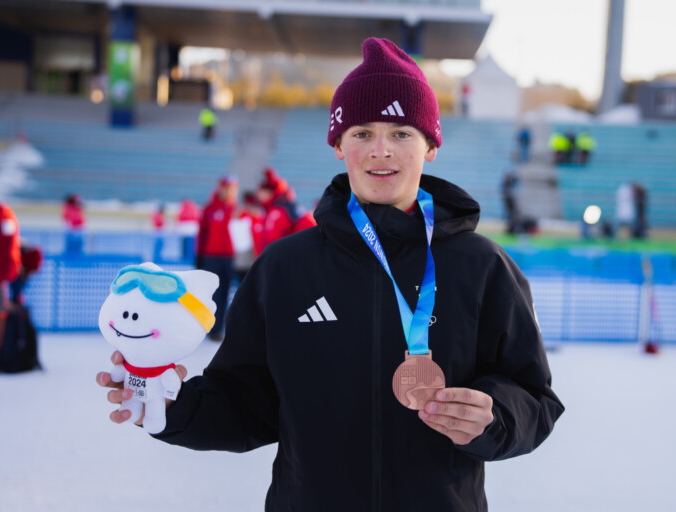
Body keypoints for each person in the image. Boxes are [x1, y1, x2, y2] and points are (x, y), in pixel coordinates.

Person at [97, 38, 564, 511]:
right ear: (338, 145)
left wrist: (494, 415)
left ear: (431, 145)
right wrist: (175, 407)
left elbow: (534, 398)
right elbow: (246, 403)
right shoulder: (283, 268)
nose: (381, 151)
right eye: (362, 133)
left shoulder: (484, 267)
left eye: (402, 133)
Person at [195, 174, 239, 341]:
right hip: (211, 257)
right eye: (227, 187)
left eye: (233, 188)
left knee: (230, 293)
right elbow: (202, 233)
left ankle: (222, 328)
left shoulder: (237, 208)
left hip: (231, 258)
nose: (229, 191)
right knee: (212, 294)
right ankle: (211, 329)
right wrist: (199, 256)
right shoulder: (210, 208)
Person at [256, 166, 316, 248]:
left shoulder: (276, 212)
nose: (259, 195)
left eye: (261, 192)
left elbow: (273, 241)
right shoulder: (284, 204)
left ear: (269, 193)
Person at [0, 202, 21, 352]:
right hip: (6, 272)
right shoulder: (6, 212)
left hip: (3, 273)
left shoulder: (4, 213)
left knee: (2, 312)